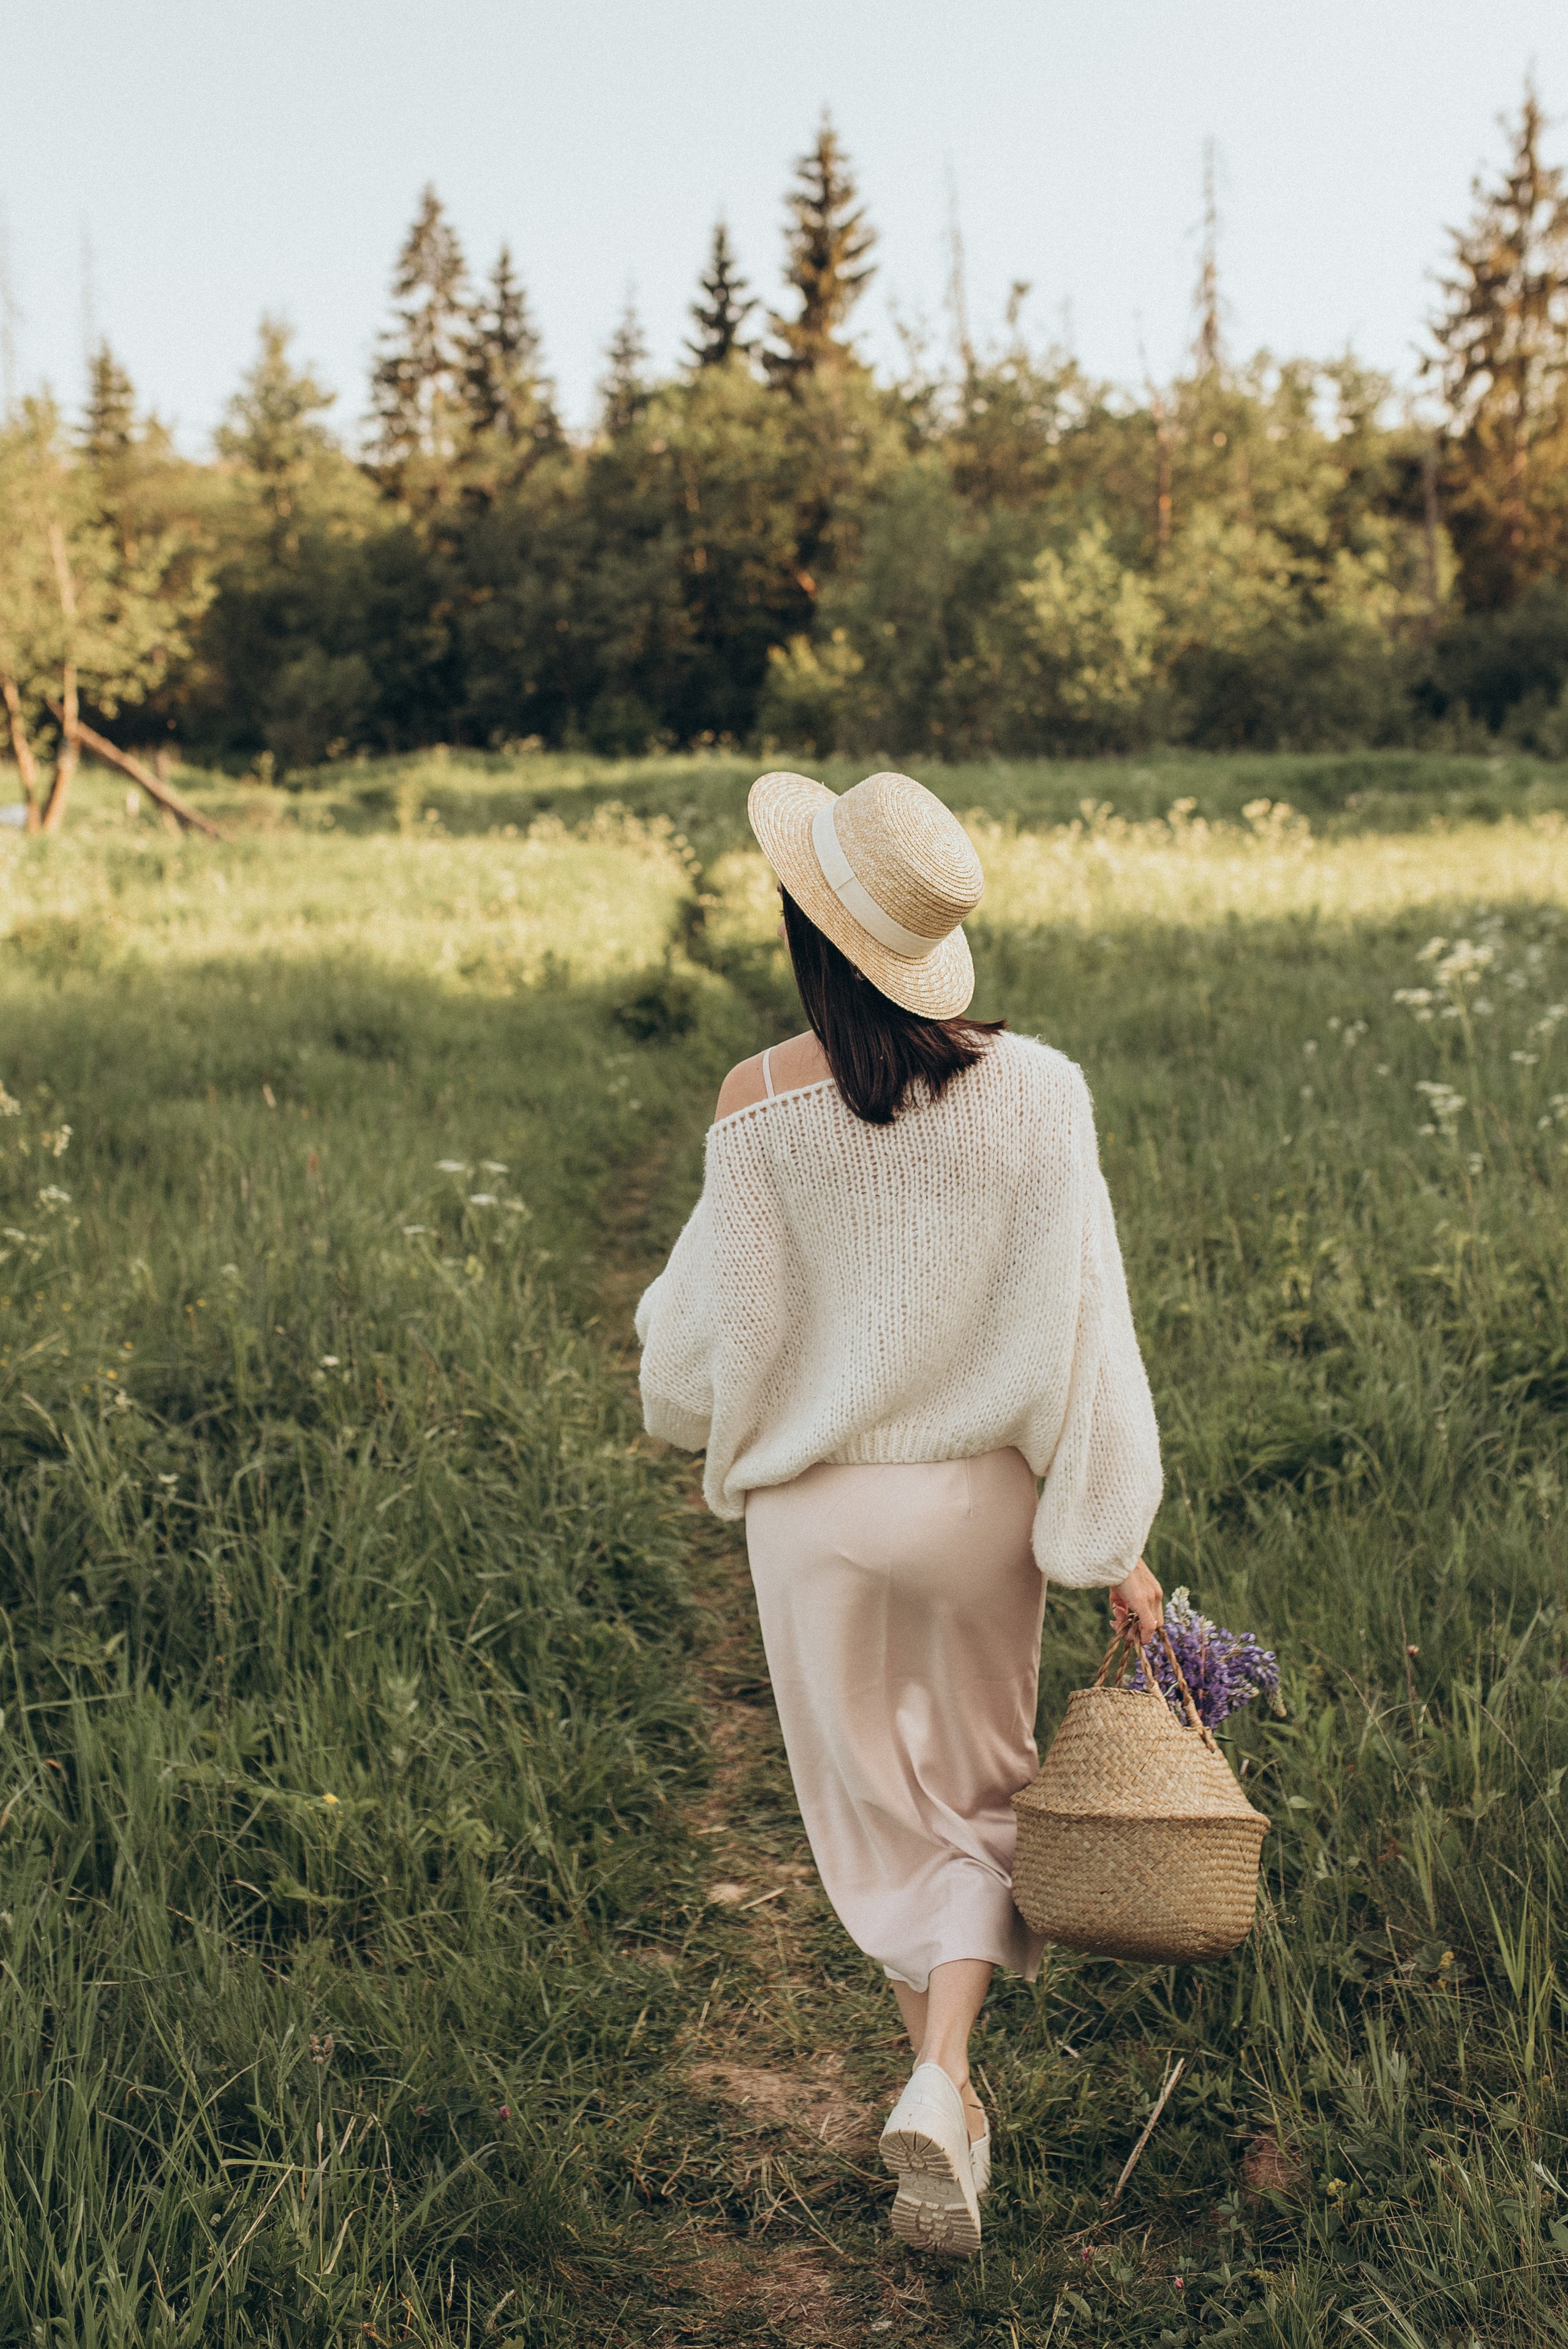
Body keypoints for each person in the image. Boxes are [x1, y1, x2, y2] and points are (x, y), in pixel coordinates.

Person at [635, 768, 1164, 2255]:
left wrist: (685, 1363)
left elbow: (694, 1356)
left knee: (877, 1818)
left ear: (808, 930)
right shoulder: (1042, 1092)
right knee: (980, 1805)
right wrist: (1111, 1542)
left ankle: (940, 2091)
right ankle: (943, 2080)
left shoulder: (753, 1105)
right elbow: (1086, 1338)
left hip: (815, 1522)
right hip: (974, 1506)